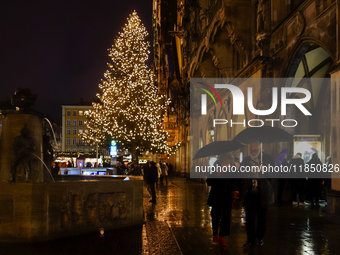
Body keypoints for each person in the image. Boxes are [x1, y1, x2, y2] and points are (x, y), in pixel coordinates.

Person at [241, 142, 275, 248]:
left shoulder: (268, 159)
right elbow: (240, 173)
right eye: (251, 150)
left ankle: (260, 238)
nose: (253, 152)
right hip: (250, 192)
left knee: (262, 217)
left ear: (259, 150)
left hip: (262, 192)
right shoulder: (246, 160)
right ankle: (250, 239)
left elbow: (273, 174)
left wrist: (264, 170)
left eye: (255, 150)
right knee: (250, 218)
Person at [207, 153, 239, 246]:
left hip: (227, 196)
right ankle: (215, 233)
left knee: (226, 216)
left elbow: (235, 181)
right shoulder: (215, 168)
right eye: (225, 164)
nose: (227, 166)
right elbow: (209, 182)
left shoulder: (232, 169)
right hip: (216, 196)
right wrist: (217, 174)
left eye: (228, 164)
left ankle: (222, 237)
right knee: (215, 215)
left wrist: (235, 190)